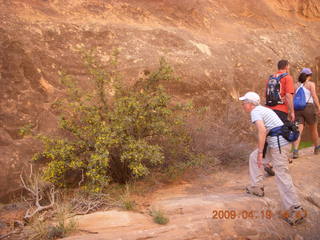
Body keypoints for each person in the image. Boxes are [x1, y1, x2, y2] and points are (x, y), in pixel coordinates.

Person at [239, 91, 306, 225]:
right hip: (276, 143)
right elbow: (270, 129)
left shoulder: (256, 112)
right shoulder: (262, 109)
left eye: (244, 102)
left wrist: (260, 152)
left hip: (279, 146)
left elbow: (262, 131)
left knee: (282, 175)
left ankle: (296, 209)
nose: (243, 104)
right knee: (253, 157)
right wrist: (260, 151)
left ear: (251, 104)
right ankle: (256, 187)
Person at [265, 60, 295, 173]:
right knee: (281, 135)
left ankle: (267, 160)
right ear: (287, 67)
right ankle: (273, 162)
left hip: (269, 109)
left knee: (269, 135)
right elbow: (288, 95)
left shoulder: (271, 77)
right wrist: (291, 111)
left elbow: (266, 95)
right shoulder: (287, 77)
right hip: (281, 110)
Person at [292, 68, 320, 158]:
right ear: (309, 76)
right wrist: (319, 107)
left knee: (298, 131)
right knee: (313, 129)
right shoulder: (311, 84)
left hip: (297, 109)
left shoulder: (295, 85)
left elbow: (292, 98)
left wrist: (292, 111)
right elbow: (314, 96)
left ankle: (295, 151)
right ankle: (317, 148)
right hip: (309, 108)